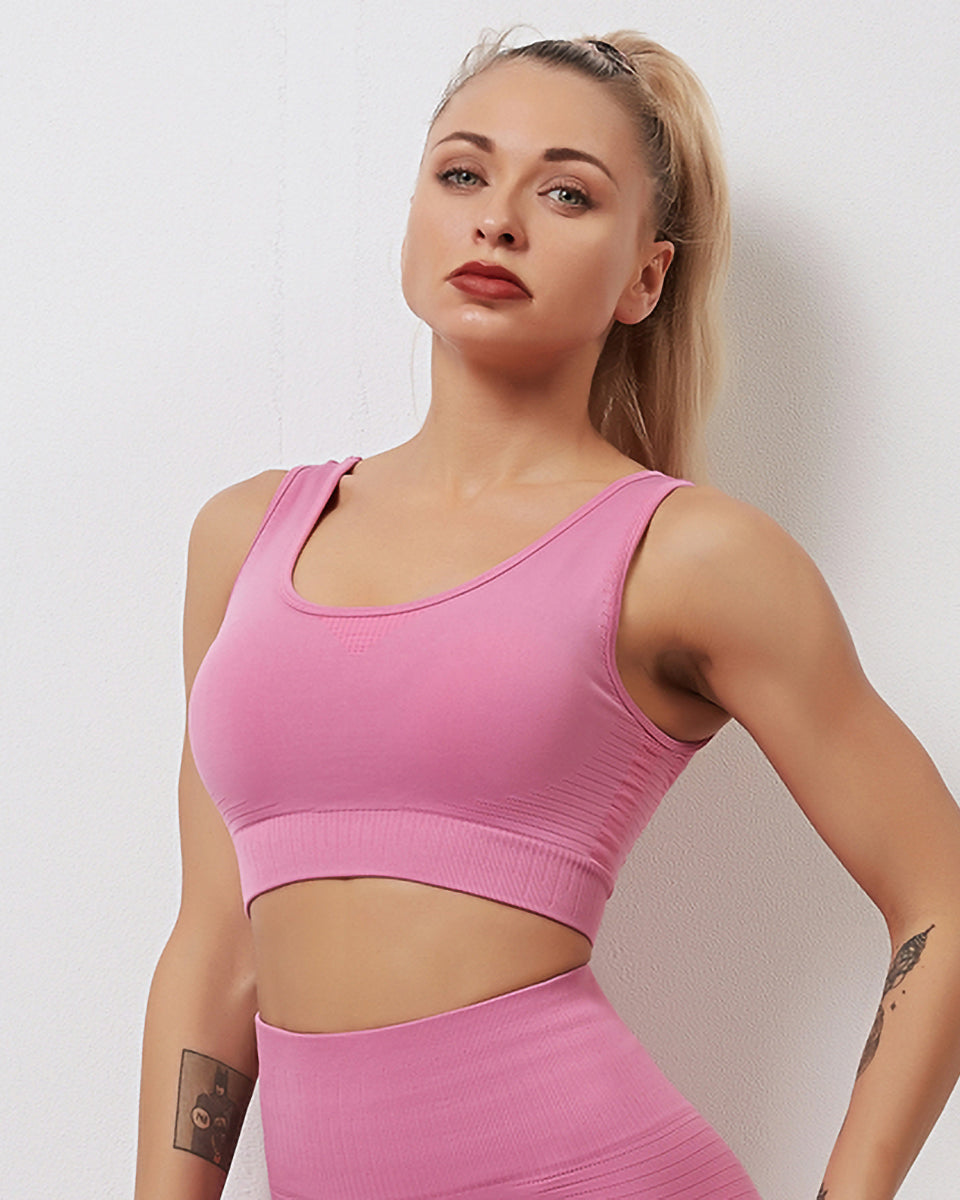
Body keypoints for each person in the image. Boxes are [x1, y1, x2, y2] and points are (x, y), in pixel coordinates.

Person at [134, 28, 960, 1200]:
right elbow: (217, 943)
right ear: (413, 214)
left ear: (644, 280)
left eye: (566, 193)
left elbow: (943, 890)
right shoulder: (247, 535)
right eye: (462, 173)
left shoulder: (688, 556)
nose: (498, 220)